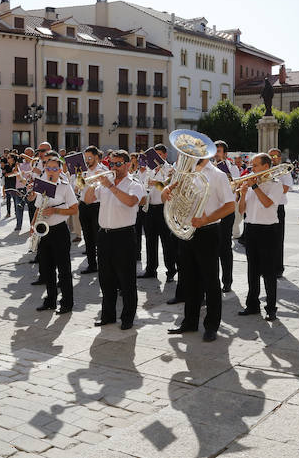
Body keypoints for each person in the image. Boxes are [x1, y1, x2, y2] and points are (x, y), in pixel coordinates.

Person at [164, 152, 236, 342]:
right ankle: (190, 321)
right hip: (186, 231)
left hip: (208, 231)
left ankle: (211, 325)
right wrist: (166, 193)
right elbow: (173, 198)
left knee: (210, 280)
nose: (186, 156)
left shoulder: (218, 175)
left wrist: (206, 219)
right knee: (188, 278)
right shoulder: (184, 173)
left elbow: (230, 206)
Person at [84, 150, 146, 330]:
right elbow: (88, 200)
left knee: (126, 280)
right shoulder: (104, 184)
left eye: (118, 164)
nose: (114, 168)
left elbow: (131, 202)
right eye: (112, 164)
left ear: (127, 165)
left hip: (124, 235)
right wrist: (92, 182)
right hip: (104, 235)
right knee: (106, 278)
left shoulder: (134, 183)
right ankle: (108, 315)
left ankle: (127, 317)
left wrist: (111, 186)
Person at [27, 155, 79, 313]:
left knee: (63, 269)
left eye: (54, 169)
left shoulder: (65, 186)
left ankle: (67, 303)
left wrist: (55, 210)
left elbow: (74, 209)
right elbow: (37, 208)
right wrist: (33, 225)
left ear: (60, 170)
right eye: (48, 168)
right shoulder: (41, 185)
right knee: (47, 268)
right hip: (43, 231)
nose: (51, 171)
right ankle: (50, 300)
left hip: (59, 230)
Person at [237, 153, 283, 320]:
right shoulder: (250, 185)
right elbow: (242, 211)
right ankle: (252, 305)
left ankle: (271, 308)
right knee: (252, 271)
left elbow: (267, 203)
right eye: (251, 165)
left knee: (269, 272)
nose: (252, 168)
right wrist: (242, 194)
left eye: (255, 165)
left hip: (268, 230)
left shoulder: (275, 184)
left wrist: (255, 187)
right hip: (251, 229)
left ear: (265, 166)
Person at [140, 144, 176, 282]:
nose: (157, 158)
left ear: (165, 155)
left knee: (167, 242)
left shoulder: (170, 169)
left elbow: (169, 187)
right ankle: (151, 269)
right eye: (155, 155)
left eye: (160, 155)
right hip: (150, 208)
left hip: (163, 208)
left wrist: (156, 183)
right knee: (150, 241)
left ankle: (171, 270)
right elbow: (143, 185)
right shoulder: (149, 168)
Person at [213, 140, 239, 292]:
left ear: (225, 153)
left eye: (219, 151)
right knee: (212, 248)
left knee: (225, 248)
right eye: (215, 150)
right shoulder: (207, 167)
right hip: (212, 212)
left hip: (226, 211)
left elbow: (234, 188)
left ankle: (227, 281)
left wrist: (226, 175)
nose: (216, 153)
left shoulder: (233, 168)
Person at [78, 145, 107, 274]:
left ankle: (103, 265)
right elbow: (77, 188)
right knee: (87, 236)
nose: (87, 160)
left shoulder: (103, 170)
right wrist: (79, 176)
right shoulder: (83, 171)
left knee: (98, 237)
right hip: (83, 205)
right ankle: (91, 265)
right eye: (86, 158)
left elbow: (103, 191)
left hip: (97, 206)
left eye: (89, 158)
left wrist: (97, 179)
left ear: (96, 157)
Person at [268, 148, 292, 279]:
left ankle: (278, 267)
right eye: (271, 156)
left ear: (280, 158)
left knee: (278, 239)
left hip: (278, 207)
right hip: (265, 207)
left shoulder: (284, 171)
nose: (273, 158)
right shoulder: (265, 171)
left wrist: (271, 186)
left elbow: (286, 188)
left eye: (276, 155)